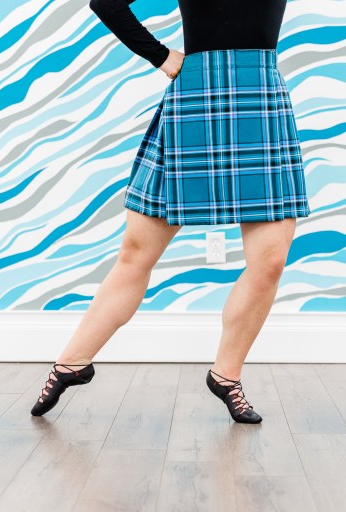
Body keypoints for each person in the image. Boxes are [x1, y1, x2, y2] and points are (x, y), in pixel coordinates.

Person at [31, 0, 311, 424]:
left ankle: (227, 376)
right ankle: (71, 363)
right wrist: (159, 56)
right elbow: (105, 1)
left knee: (270, 260)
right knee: (136, 251)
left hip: (260, 95)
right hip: (197, 94)